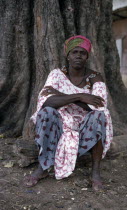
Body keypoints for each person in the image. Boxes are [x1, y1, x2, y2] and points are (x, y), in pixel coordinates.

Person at [24, 35, 113, 191]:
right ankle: (42, 168)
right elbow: (47, 102)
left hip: (86, 126)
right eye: (74, 52)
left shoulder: (94, 77)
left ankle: (95, 172)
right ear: (68, 55)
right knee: (47, 113)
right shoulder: (57, 75)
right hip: (60, 123)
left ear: (87, 56)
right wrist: (81, 96)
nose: (78, 55)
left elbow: (98, 107)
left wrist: (61, 95)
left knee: (99, 116)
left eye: (82, 53)